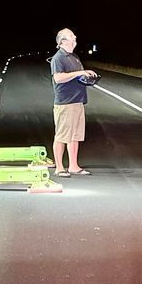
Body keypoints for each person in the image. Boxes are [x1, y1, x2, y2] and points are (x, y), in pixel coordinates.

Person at [49, 27, 96, 177]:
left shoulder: (74, 57)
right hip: (65, 103)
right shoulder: (58, 58)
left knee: (75, 135)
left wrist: (86, 75)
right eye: (71, 37)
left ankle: (74, 166)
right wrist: (79, 73)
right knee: (62, 136)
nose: (75, 38)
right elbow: (58, 78)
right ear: (63, 41)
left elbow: (76, 76)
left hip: (77, 101)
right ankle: (59, 167)